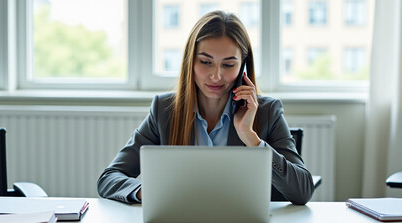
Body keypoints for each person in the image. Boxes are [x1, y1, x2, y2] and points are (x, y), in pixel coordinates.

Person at [97, 11, 314, 205]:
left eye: (228, 64)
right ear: (190, 61)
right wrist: (146, 192)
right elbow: (109, 178)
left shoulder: (268, 112)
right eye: (205, 62)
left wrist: (251, 138)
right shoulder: (164, 110)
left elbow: (302, 191)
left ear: (243, 67)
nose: (216, 76)